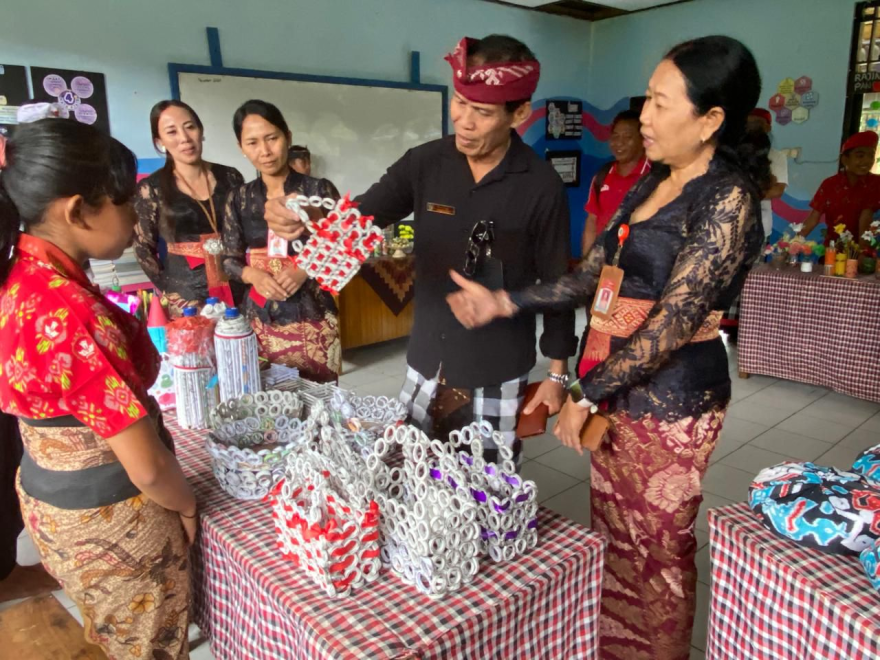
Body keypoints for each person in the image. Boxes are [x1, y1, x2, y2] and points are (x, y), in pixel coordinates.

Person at [446, 35, 769, 659]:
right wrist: (505, 301)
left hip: (673, 400)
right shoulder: (654, 177)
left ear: (710, 120)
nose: (642, 118)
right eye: (645, 99)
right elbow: (591, 273)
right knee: (615, 535)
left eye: (658, 102)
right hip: (616, 383)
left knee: (659, 549)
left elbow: (671, 327)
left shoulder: (727, 199)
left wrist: (581, 392)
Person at [265, 35, 576, 465]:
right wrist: (303, 219)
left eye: (482, 112)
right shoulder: (425, 163)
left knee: (488, 486)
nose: (464, 121)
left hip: (497, 363)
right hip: (428, 355)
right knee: (415, 471)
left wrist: (558, 371)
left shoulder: (540, 186)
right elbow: (363, 217)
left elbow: (557, 283)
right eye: (460, 103)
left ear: (519, 113)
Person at [0, 119, 197, 659]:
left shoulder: (22, 274)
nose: (135, 218)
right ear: (78, 210)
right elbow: (149, 468)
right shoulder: (69, 314)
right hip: (111, 521)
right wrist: (185, 507)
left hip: (51, 501)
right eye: (125, 202)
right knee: (149, 646)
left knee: (115, 635)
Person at [222, 100, 341, 382]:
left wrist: (304, 269)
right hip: (260, 318)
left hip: (314, 313)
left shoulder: (318, 190)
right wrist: (252, 275)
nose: (264, 151)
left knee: (322, 404)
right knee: (269, 407)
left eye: (272, 139)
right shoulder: (238, 198)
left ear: (287, 137)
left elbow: (344, 245)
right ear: (241, 147)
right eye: (252, 143)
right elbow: (229, 259)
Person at [134, 100, 245, 316]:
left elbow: (244, 231)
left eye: (190, 127)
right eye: (172, 132)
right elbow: (142, 248)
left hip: (236, 286)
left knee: (241, 345)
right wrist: (171, 290)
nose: (184, 139)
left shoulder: (230, 176)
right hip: (186, 298)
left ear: (200, 130)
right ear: (160, 141)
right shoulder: (151, 189)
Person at [582, 109, 650, 255]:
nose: (619, 143)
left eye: (627, 137)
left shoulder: (653, 177)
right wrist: (586, 264)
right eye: (615, 136)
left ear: (643, 140)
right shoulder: (602, 175)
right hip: (602, 262)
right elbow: (592, 222)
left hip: (636, 264)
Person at [800, 130, 880, 245]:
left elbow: (866, 218)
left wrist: (863, 253)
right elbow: (813, 218)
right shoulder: (830, 184)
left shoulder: (876, 183)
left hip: (868, 254)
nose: (867, 161)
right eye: (860, 156)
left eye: (871, 156)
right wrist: (792, 244)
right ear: (844, 159)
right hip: (833, 251)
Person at [747, 108, 788, 240]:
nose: (753, 127)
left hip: (761, 226)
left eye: (758, 122)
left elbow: (777, 191)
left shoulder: (777, 156)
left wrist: (743, 196)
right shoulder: (736, 153)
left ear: (768, 127)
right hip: (732, 226)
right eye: (749, 123)